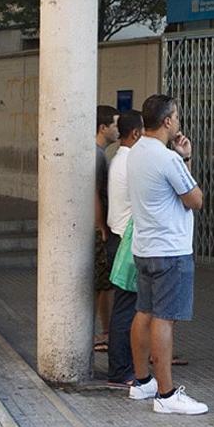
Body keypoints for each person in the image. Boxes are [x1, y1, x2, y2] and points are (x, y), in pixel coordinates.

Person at [126, 94, 207, 415]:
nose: (179, 120)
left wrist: (180, 156)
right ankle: (167, 394)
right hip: (170, 250)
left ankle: (142, 381)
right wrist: (186, 158)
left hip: (144, 247)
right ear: (168, 121)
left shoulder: (136, 152)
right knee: (164, 318)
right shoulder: (166, 158)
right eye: (177, 115)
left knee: (143, 312)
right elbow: (195, 199)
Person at [106, 109, 143, 386]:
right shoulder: (132, 163)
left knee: (127, 307)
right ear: (136, 133)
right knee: (126, 309)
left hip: (119, 237)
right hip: (126, 242)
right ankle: (121, 370)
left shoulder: (118, 159)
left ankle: (126, 365)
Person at [93, 105, 120, 352]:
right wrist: (101, 226)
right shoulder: (98, 156)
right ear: (103, 128)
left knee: (102, 284)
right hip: (99, 227)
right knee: (104, 283)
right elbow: (94, 195)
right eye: (114, 125)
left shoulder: (99, 154)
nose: (117, 130)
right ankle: (104, 332)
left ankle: (102, 331)